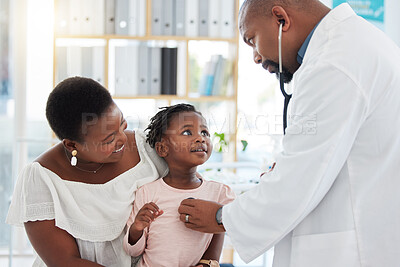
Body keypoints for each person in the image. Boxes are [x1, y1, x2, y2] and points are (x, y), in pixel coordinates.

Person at [178, 0, 400, 266]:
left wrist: (221, 217)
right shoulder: (354, 43)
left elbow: (301, 175)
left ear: (281, 18)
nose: (256, 57)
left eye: (252, 40)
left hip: (353, 248)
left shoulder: (333, 62)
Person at [6, 77, 168, 266]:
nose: (123, 139)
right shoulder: (42, 178)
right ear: (72, 145)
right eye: (108, 140)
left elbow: (196, 193)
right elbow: (65, 261)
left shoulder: (149, 149)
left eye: (122, 125)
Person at [123, 104, 235, 267]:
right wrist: (137, 229)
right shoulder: (147, 193)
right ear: (162, 148)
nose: (201, 138)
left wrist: (209, 264)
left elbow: (239, 228)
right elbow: (133, 251)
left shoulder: (220, 193)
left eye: (205, 132)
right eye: (187, 132)